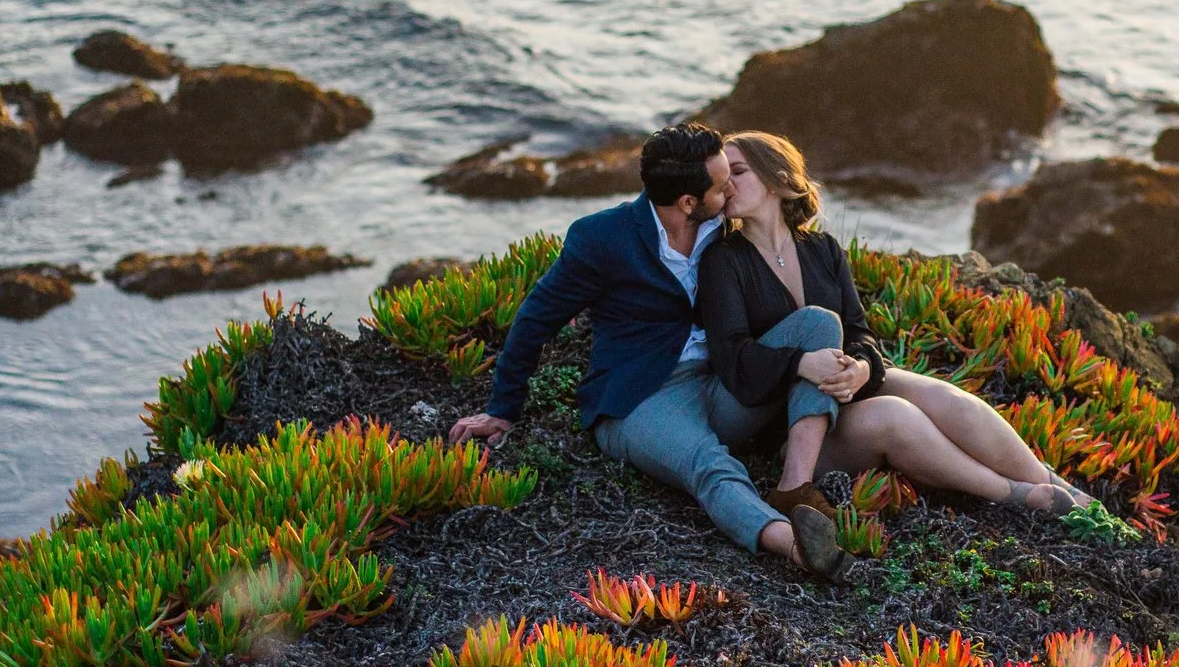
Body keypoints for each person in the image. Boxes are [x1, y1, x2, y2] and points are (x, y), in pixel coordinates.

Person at [448, 124, 849, 579]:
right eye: (721, 185)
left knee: (818, 323)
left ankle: (795, 487)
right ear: (687, 202)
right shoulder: (601, 238)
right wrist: (502, 409)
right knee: (709, 464)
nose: (731, 189)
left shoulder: (719, 227)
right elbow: (535, 321)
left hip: (721, 384)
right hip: (641, 401)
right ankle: (798, 547)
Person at [695, 130, 1092, 520]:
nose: (725, 184)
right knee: (895, 416)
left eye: (738, 171)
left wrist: (863, 367)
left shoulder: (822, 249)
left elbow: (858, 331)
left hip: (839, 390)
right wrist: (803, 364)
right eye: (722, 175)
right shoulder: (723, 259)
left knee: (943, 397)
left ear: (778, 180)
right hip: (782, 428)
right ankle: (1016, 494)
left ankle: (1058, 485)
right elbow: (733, 357)